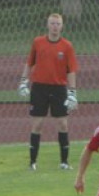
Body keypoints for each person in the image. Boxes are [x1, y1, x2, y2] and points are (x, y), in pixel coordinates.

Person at [17, 12, 79, 171]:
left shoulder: (67, 46)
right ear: (47, 25)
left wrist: (72, 92)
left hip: (59, 89)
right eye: (52, 23)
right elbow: (29, 63)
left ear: (62, 26)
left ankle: (64, 162)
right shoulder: (38, 42)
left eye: (58, 24)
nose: (55, 27)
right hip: (39, 88)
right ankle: (32, 163)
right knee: (37, 124)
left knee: (62, 124)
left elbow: (71, 70)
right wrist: (23, 81)